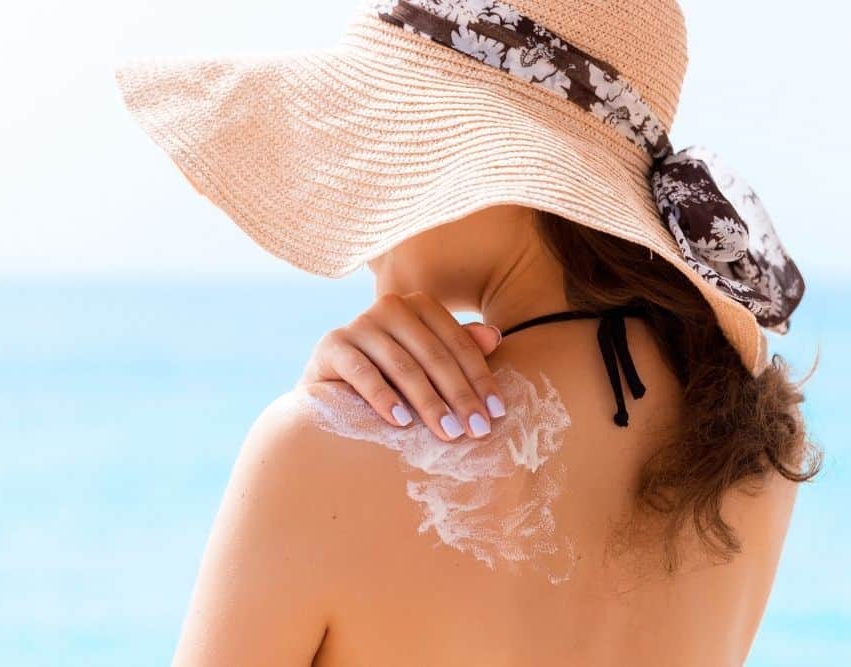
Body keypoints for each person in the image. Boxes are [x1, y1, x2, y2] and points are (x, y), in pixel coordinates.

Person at [115, 1, 820, 664]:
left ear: (496, 160)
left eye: (390, 127)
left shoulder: (320, 450)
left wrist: (326, 422)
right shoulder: (749, 454)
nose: (364, 180)